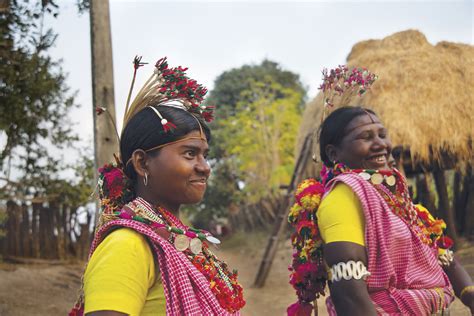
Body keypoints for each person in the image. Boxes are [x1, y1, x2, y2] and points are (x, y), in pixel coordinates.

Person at [70, 57, 245, 316]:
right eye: (189, 154)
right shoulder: (126, 246)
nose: (204, 167)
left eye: (204, 155)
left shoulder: (175, 238)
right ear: (142, 163)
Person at [288, 106, 474, 315]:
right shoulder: (344, 197)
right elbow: (348, 289)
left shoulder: (398, 202)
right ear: (333, 153)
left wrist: (469, 296)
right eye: (366, 137)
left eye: (382, 135)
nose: (381, 144)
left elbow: (445, 258)